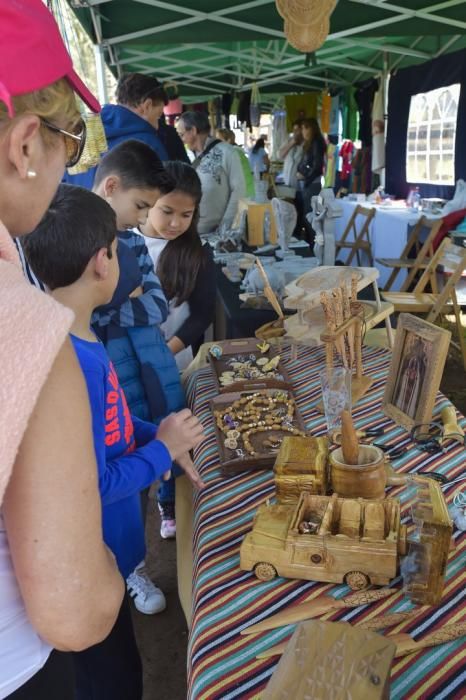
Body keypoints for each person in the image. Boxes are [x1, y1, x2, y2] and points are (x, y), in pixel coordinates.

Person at [23, 184, 205, 700]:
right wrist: (159, 451)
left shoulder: (81, 339)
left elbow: (114, 429)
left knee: (123, 670)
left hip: (109, 564)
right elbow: (92, 481)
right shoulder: (69, 362)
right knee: (112, 683)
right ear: (103, 262)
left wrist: (163, 435)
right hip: (88, 563)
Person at [0, 1, 123, 697]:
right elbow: (76, 610)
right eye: (69, 140)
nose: (64, 162)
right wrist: (106, 567)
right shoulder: (26, 330)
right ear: (24, 145)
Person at [91, 142, 190, 612]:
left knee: (142, 462)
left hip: (146, 373)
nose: (143, 218)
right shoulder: (71, 231)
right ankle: (126, 569)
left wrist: (106, 303)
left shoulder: (129, 242)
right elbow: (77, 313)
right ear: (111, 187)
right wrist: (114, 299)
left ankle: (135, 560)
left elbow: (155, 306)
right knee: (111, 478)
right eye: (141, 207)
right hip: (106, 376)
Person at [139, 161, 216, 537]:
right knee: (139, 430)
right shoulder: (128, 243)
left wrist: (166, 351)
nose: (174, 223)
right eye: (166, 211)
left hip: (174, 360)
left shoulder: (194, 252)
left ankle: (169, 502)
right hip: (131, 363)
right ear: (150, 202)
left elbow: (201, 314)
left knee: (173, 429)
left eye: (186, 215)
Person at [65, 73, 185, 188]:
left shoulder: (82, 133)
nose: (157, 126)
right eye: (158, 116)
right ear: (147, 106)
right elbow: (161, 199)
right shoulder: (148, 144)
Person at [177, 111, 247, 233]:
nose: (181, 140)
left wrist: (225, 225)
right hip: (190, 232)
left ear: (193, 131)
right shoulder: (187, 155)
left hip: (217, 232)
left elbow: (239, 190)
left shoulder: (227, 152)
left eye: (182, 134)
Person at [297, 117, 327, 246]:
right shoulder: (310, 144)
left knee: (312, 219)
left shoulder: (316, 143)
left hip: (313, 185)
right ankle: (313, 247)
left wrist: (305, 177)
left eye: (306, 127)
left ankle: (316, 249)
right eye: (302, 128)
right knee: (309, 218)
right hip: (309, 184)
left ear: (313, 128)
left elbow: (317, 166)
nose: (304, 131)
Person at [278, 119, 304, 190]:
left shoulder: (307, 144)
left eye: (297, 130)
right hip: (287, 182)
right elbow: (280, 156)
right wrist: (291, 143)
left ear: (302, 130)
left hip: (300, 186)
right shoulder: (288, 141)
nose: (295, 132)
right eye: (294, 130)